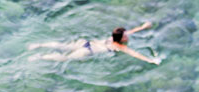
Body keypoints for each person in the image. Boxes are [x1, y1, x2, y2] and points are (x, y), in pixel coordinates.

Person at [29, 22, 160, 64]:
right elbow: (135, 54)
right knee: (65, 58)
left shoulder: (113, 38)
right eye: (126, 36)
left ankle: (39, 45)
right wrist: (150, 60)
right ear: (122, 39)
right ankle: (39, 57)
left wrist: (143, 27)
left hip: (85, 43)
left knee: (63, 46)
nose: (127, 35)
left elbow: (132, 31)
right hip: (87, 51)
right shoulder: (119, 46)